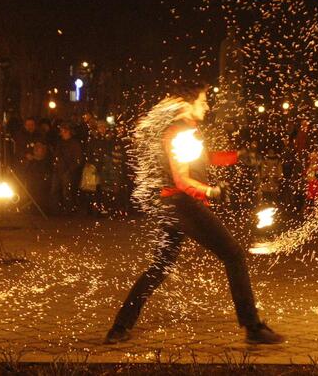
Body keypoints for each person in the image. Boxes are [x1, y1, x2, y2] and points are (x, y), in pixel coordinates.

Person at [106, 81, 283, 345]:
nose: (207, 106)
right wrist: (211, 192)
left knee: (160, 267)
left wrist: (236, 156)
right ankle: (252, 326)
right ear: (187, 105)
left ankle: (119, 327)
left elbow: (203, 157)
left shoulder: (185, 131)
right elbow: (182, 180)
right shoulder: (179, 134)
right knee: (233, 254)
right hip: (183, 205)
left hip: (172, 207)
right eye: (202, 101)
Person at [50, 124, 83, 213]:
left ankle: (68, 210)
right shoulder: (60, 143)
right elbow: (56, 155)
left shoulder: (74, 144)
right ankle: (55, 209)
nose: (61, 133)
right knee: (55, 190)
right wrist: (55, 165)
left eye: (63, 131)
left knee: (67, 192)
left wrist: (70, 169)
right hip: (58, 170)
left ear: (67, 132)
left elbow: (78, 159)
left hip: (67, 171)